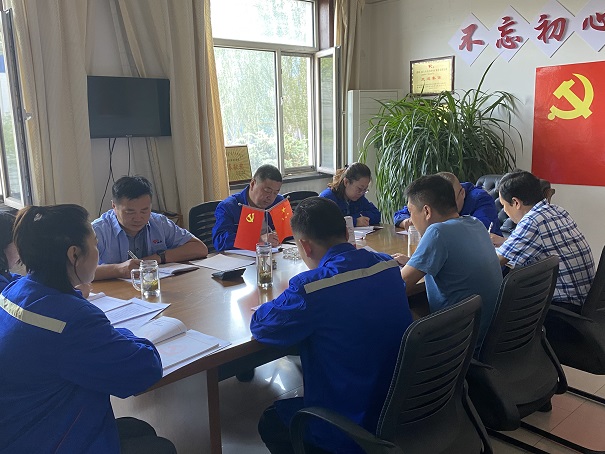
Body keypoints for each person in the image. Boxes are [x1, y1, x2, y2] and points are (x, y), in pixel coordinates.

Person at [0, 204, 175, 453]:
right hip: (47, 439)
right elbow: (144, 369)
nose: (97, 251)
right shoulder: (72, 320)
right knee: (161, 448)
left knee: (139, 429)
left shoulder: (14, 290)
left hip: (22, 424)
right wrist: (121, 334)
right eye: (95, 244)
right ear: (74, 254)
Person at [251, 197, 412, 453]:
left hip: (351, 423)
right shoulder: (387, 265)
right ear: (347, 233)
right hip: (402, 407)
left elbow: (262, 326)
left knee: (271, 421)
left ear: (305, 246)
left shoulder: (311, 287)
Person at [393, 175, 502, 352]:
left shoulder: (437, 232)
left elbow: (399, 286)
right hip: (489, 337)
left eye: (411, 212)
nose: (411, 220)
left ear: (426, 211)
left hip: (458, 345)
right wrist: (412, 262)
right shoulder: (475, 224)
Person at [492, 170, 594, 313]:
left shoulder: (532, 221)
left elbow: (495, 262)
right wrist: (505, 241)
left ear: (516, 203)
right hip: (586, 300)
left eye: (504, 205)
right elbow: (543, 243)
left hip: (563, 308)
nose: (504, 211)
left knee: (495, 305)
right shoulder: (557, 210)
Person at [92, 175, 208, 280]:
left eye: (144, 211)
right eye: (130, 212)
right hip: (115, 293)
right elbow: (80, 271)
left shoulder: (158, 222)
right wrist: (119, 270)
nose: (138, 218)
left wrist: (158, 258)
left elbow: (200, 248)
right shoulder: (98, 230)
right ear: (114, 206)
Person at [394, 172, 502, 236]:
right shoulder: (434, 196)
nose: (445, 205)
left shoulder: (480, 198)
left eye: (451, 199)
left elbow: (481, 230)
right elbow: (401, 214)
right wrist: (408, 221)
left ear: (462, 193)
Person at [213, 164, 284, 252]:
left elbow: (293, 229)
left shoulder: (278, 202)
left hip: (274, 253)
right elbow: (220, 241)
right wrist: (259, 239)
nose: (271, 197)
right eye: (267, 191)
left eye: (275, 192)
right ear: (253, 184)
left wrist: (280, 234)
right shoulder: (229, 206)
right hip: (241, 257)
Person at [319, 162, 381, 227]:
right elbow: (327, 224)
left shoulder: (358, 197)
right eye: (359, 189)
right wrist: (354, 221)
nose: (361, 193)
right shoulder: (327, 198)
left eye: (365, 190)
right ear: (346, 182)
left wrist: (358, 217)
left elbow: (376, 214)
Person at [0, 210, 20, 291]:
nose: (20, 251)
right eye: (17, 245)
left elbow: (11, 277)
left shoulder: (4, 274)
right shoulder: (4, 290)